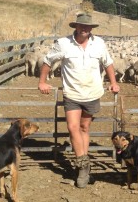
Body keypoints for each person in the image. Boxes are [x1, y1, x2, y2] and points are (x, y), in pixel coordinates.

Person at [38, 12, 120, 188]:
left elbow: (108, 63)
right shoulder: (63, 43)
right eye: (81, 25)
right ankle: (82, 165)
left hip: (92, 93)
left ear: (92, 28)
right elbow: (47, 61)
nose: (85, 29)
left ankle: (84, 162)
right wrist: (42, 82)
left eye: (88, 26)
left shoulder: (98, 43)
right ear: (75, 26)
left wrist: (113, 83)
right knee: (72, 127)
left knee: (84, 127)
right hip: (72, 94)